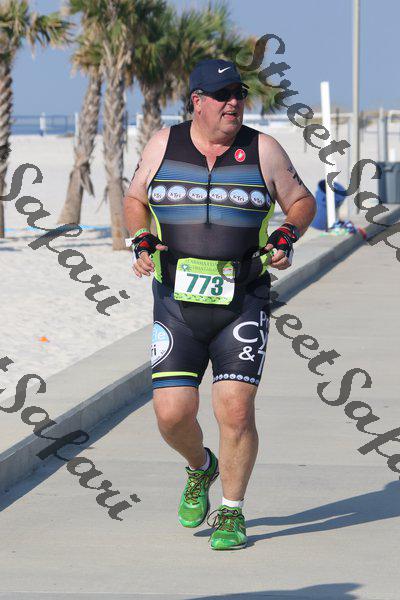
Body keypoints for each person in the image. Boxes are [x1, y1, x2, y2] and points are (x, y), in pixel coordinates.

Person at [123, 58, 316, 551]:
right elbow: (134, 199)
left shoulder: (263, 149)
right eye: (223, 95)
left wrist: (286, 234)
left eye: (240, 94)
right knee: (171, 414)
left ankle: (232, 510)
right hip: (175, 304)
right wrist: (140, 239)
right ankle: (200, 467)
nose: (234, 103)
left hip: (244, 300)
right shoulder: (163, 145)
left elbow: (301, 201)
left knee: (236, 409)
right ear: (197, 101)